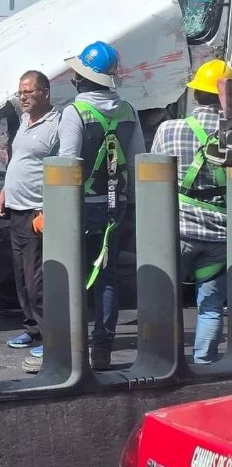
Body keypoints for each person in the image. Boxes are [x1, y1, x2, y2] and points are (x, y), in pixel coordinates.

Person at [58, 41, 145, 372]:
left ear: (82, 78)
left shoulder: (75, 112)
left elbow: (68, 163)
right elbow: (138, 160)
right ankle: (102, 348)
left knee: (74, 274)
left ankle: (72, 347)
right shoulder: (128, 110)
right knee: (106, 276)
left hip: (81, 206)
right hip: (115, 205)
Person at [151, 59, 232, 364]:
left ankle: (166, 363)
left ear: (196, 94)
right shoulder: (231, 136)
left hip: (179, 230)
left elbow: (155, 177)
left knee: (166, 302)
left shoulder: (169, 129)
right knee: (210, 307)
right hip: (221, 237)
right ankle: (204, 364)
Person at [0, 71, 60, 374]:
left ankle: (50, 338)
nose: (23, 97)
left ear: (45, 93)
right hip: (16, 209)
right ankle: (32, 328)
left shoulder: (56, 125)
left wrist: (47, 209)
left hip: (36, 211)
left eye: (28, 92)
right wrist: (6, 191)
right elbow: (20, 161)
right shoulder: (24, 122)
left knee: (36, 281)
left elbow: (60, 169)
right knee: (20, 276)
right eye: (20, 92)